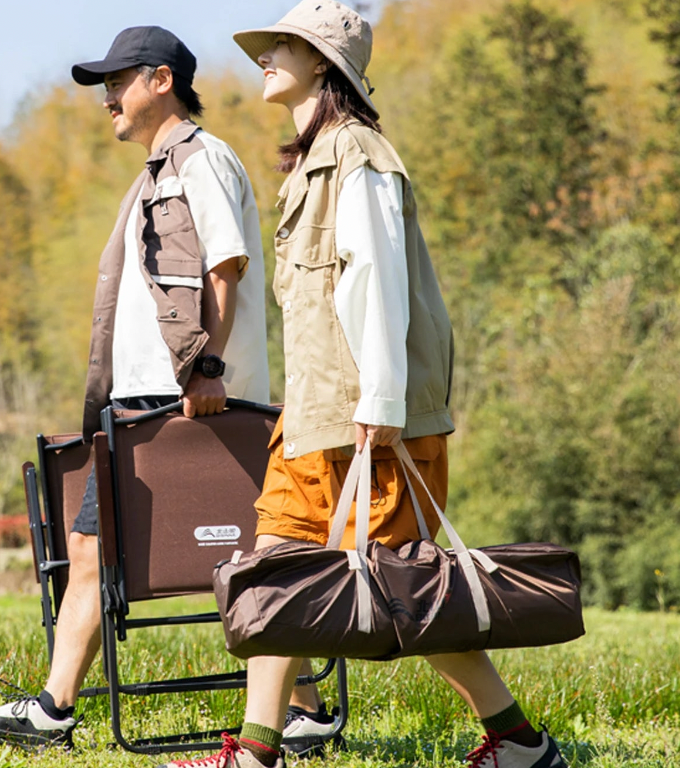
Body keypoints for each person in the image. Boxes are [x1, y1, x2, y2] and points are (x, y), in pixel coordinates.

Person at [156, 3, 569, 768]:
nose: (265, 57)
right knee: (276, 571)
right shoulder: (314, 162)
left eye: (283, 46)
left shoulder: (362, 156)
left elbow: (376, 283)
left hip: (365, 421)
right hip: (315, 416)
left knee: (407, 593)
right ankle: (255, 752)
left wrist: (380, 402)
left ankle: (520, 743)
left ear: (323, 63)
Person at [0, 25, 335, 754]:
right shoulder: (160, 169)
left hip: (186, 405)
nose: (106, 100)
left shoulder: (201, 159)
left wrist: (208, 368)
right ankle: (305, 710)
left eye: (116, 82)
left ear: (162, 80)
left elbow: (225, 265)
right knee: (140, 550)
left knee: (138, 551)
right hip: (153, 406)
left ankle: (53, 710)